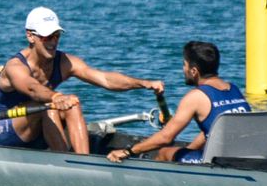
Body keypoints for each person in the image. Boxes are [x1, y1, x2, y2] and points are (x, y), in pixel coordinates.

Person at [0, 6, 165, 154]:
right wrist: (55, 97)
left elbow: (105, 79)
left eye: (56, 36)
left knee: (72, 104)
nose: (53, 42)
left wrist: (143, 83)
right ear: (30, 36)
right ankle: (66, 165)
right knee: (49, 106)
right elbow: (32, 89)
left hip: (33, 125)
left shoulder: (64, 62)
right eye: (47, 37)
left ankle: (83, 162)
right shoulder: (15, 67)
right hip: (0, 130)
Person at [107, 41, 252, 164]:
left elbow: (165, 138)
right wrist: (190, 150)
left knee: (164, 153)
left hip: (221, 163)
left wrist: (128, 151)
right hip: (247, 156)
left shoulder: (196, 97)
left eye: (185, 65)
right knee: (183, 152)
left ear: (194, 71)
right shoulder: (233, 89)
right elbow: (213, 130)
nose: (183, 69)